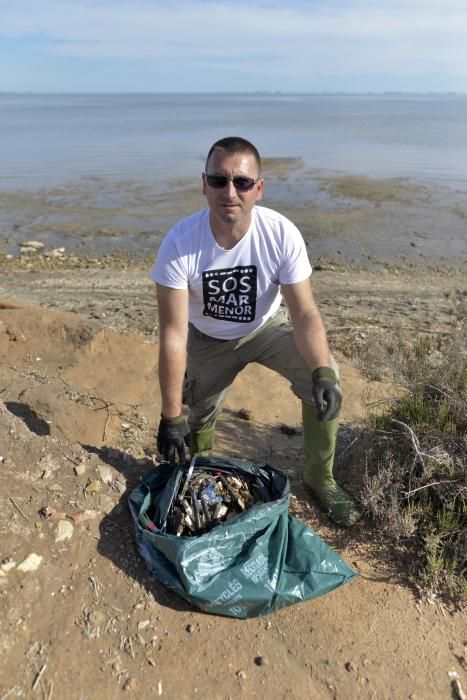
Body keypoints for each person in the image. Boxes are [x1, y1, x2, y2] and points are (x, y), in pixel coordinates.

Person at [151, 136, 359, 527]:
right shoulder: (180, 243)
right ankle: (203, 467)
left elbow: (305, 314)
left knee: (326, 376)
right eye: (218, 180)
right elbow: (173, 334)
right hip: (207, 339)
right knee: (195, 418)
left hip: (268, 327)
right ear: (204, 184)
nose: (230, 191)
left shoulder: (281, 234)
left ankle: (320, 476)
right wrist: (170, 415)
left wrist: (322, 373)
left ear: (258, 189)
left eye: (242, 182)